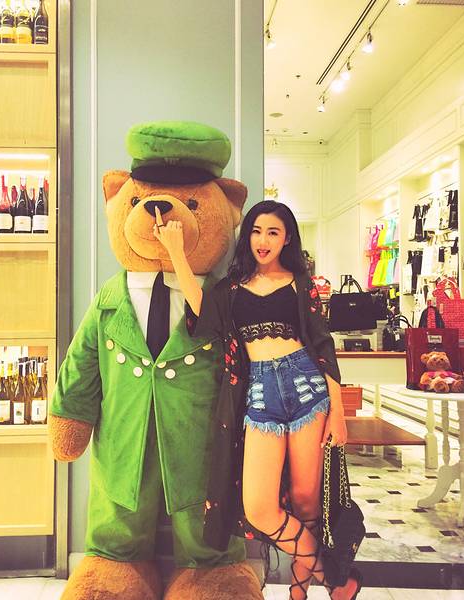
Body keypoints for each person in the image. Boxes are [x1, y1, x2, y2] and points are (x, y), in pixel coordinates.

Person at [154, 200, 362, 600]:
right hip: (261, 395)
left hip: (307, 389)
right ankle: (338, 581)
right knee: (259, 508)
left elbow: (323, 346)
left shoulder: (301, 284)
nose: (263, 240)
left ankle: (298, 594)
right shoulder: (232, 288)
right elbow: (203, 313)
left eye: (273, 232)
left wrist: (338, 413)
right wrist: (176, 251)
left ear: (287, 240)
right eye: (256, 231)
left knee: (306, 504)